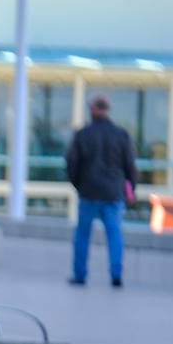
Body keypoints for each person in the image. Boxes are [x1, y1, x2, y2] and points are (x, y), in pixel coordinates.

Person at [66, 94, 138, 287]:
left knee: (82, 235)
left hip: (88, 192)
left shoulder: (83, 134)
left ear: (94, 109)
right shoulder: (121, 135)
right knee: (115, 235)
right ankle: (116, 274)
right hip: (113, 193)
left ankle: (80, 274)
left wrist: (78, 185)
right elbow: (130, 165)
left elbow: (72, 163)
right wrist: (131, 188)